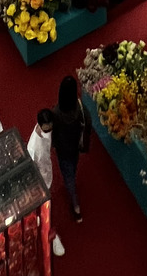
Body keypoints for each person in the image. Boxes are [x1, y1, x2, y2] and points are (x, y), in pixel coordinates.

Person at [27, 111, 67, 257]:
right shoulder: (32, 147)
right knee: (44, 210)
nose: (50, 129)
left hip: (47, 173)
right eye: (47, 127)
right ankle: (51, 234)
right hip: (39, 183)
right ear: (40, 125)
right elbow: (30, 171)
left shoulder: (48, 130)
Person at [51, 76, 89, 222]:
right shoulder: (79, 109)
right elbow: (88, 122)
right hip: (75, 147)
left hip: (63, 149)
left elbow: (53, 133)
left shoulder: (57, 113)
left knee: (68, 177)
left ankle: (76, 206)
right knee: (72, 167)